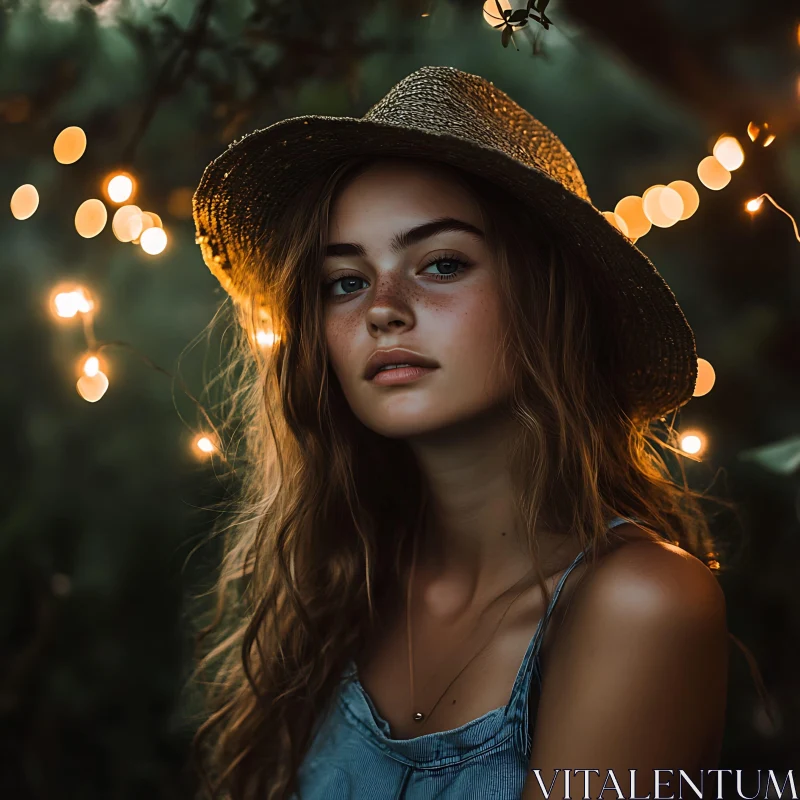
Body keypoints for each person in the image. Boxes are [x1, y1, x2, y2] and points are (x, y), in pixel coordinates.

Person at [189, 66, 731, 800]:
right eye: (344, 281)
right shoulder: (339, 587)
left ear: (547, 298)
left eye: (441, 264)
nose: (382, 309)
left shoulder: (643, 602)